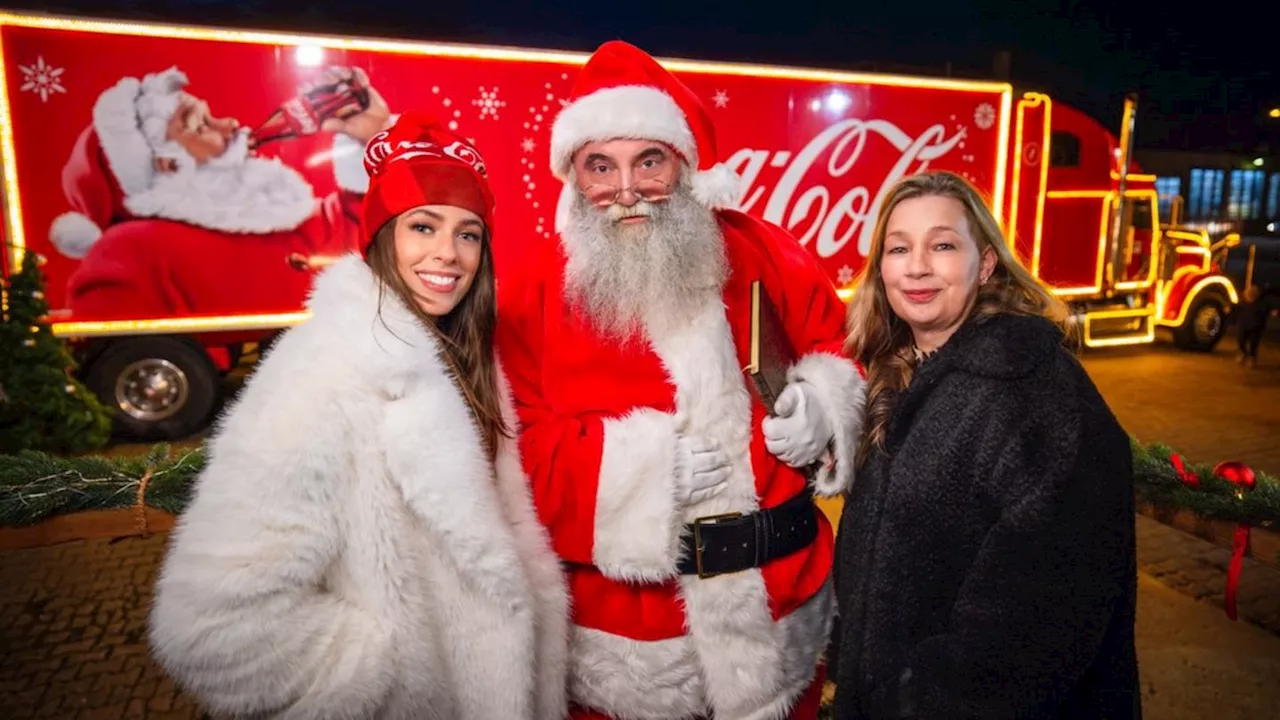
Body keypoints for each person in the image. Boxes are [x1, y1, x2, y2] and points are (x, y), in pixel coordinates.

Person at [148, 112, 569, 720]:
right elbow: (208, 624)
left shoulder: (468, 362)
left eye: (468, 233)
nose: (448, 254)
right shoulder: (321, 373)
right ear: (380, 237)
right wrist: (394, 680)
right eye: (423, 227)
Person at [496, 40, 866, 720]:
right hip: (630, 643)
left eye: (649, 161)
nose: (627, 189)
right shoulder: (533, 290)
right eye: (600, 166)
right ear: (573, 176)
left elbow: (838, 340)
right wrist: (638, 471)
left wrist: (826, 402)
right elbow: (511, 446)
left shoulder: (763, 248)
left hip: (781, 611)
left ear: (685, 163)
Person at [830, 171, 1140, 719]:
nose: (918, 266)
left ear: (987, 263)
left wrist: (911, 697)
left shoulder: (1034, 390)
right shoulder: (900, 379)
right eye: (899, 248)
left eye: (943, 245)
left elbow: (1041, 625)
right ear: (881, 269)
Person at [51, 66, 387, 320]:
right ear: (168, 164)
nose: (229, 124)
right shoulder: (132, 250)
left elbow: (369, 229)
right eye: (200, 125)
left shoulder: (275, 215)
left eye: (209, 115)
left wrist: (373, 135)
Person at [1235, 284, 1269, 368]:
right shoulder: (1242, 303)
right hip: (1243, 326)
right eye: (1249, 294)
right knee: (1241, 341)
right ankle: (1244, 354)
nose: (1250, 296)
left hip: (1255, 327)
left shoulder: (1261, 304)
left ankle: (1252, 358)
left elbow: (1265, 313)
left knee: (1253, 344)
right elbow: (1235, 309)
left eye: (1252, 294)